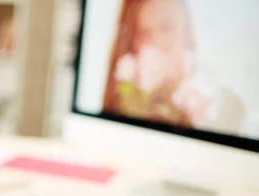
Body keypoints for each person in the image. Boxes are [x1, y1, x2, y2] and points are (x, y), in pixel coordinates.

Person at [103, 0, 245, 134]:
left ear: (187, 29)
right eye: (145, 33)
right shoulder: (125, 96)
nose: (157, 42)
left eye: (167, 28)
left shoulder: (222, 104)